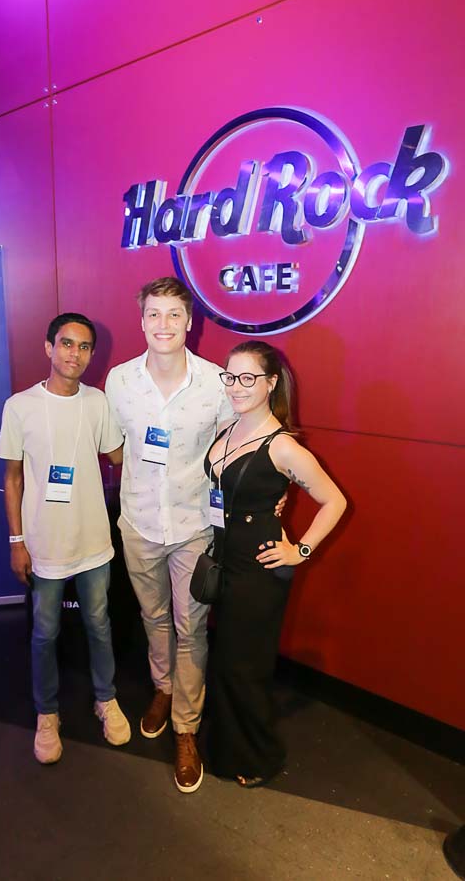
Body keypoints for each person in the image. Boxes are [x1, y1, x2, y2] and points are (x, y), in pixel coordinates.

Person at [105, 277, 238, 793]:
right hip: (138, 521)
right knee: (153, 616)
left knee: (192, 626)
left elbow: (233, 448)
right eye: (154, 314)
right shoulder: (120, 381)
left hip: (193, 526)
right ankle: (162, 687)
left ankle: (186, 725)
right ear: (142, 321)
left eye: (174, 314)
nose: (164, 324)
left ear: (190, 321)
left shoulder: (215, 383)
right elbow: (114, 447)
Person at [205, 340, 347, 788]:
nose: (236, 386)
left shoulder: (283, 446)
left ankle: (255, 756)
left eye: (248, 378)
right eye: (231, 376)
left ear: (270, 383)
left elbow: (335, 501)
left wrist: (300, 551)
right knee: (227, 660)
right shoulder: (227, 429)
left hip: (260, 570)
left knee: (245, 667)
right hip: (225, 559)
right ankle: (225, 746)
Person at [0, 312, 130, 764]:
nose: (75, 353)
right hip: (44, 542)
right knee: (45, 632)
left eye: (84, 346)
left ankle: (106, 699)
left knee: (99, 624)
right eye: (67, 343)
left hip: (93, 540)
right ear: (48, 348)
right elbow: (12, 478)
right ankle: (47, 712)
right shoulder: (19, 406)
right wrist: (17, 541)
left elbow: (119, 455)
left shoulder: (98, 402)